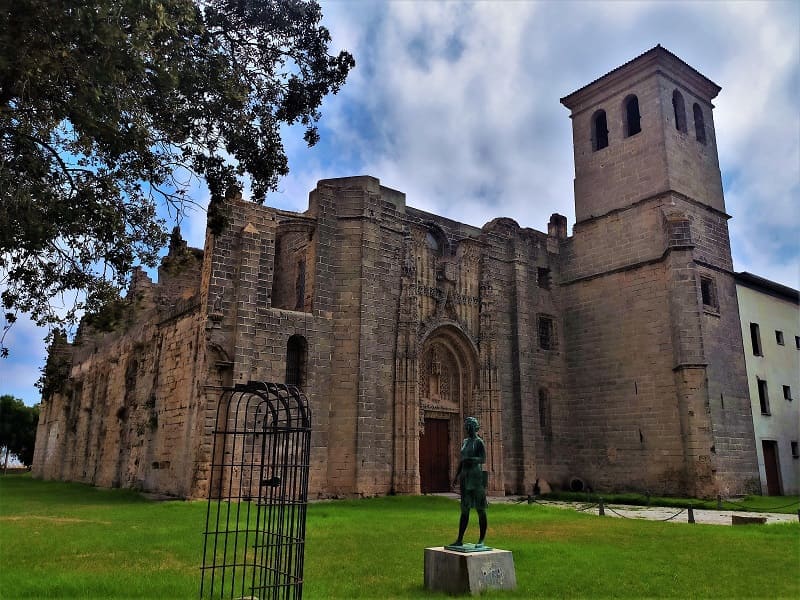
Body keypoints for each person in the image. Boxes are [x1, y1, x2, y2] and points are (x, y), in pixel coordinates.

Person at [451, 416, 487, 546]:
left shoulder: (479, 442)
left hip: (476, 477)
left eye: (469, 425)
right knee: (464, 509)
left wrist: (472, 460)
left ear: (474, 426)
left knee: (480, 508)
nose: (467, 428)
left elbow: (483, 459)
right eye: (466, 425)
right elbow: (462, 459)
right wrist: (456, 476)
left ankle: (481, 540)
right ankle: (459, 539)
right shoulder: (465, 441)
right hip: (465, 477)